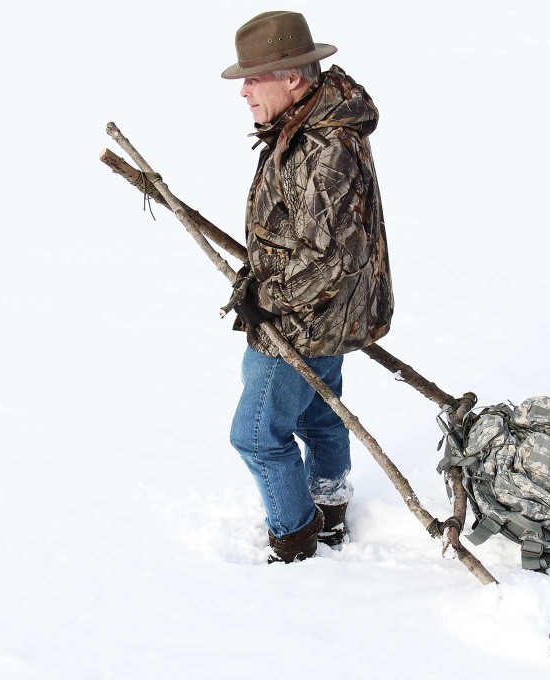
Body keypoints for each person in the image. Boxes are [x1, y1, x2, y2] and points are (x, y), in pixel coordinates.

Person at [220, 11, 394, 564]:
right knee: (321, 413)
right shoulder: (308, 126)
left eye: (253, 77)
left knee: (255, 434)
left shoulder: (325, 149)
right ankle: (331, 508)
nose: (244, 90)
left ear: (293, 76)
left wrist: (263, 298)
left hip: (303, 318)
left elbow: (330, 259)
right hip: (323, 313)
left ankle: (295, 537)